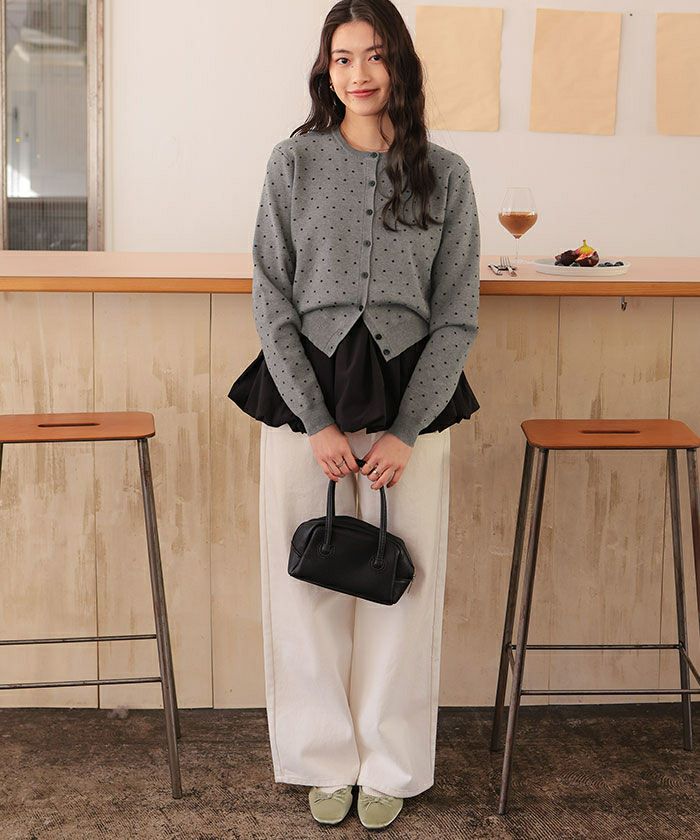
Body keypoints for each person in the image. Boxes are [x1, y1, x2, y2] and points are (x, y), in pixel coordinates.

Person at [228, 0, 480, 829]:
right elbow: (270, 296)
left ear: (400, 63)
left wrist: (407, 432)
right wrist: (317, 421)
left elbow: (457, 315)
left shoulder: (448, 174)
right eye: (342, 58)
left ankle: (392, 766)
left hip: (414, 394)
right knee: (307, 586)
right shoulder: (292, 162)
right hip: (308, 389)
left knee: (403, 588)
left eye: (374, 55)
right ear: (325, 70)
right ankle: (321, 760)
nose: (359, 73)